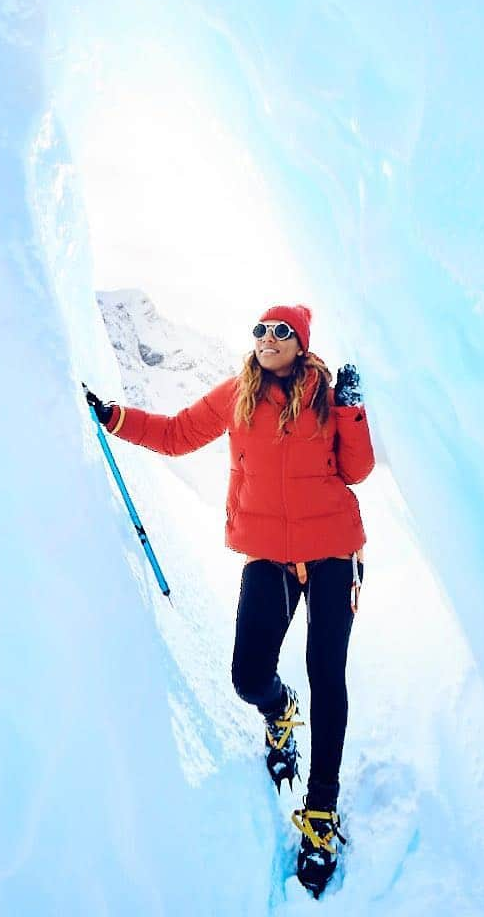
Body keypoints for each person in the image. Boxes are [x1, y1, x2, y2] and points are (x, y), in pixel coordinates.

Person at [85, 303, 374, 898]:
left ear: (301, 343)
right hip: (268, 553)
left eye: (282, 331)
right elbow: (175, 433)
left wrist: (351, 409)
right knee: (247, 675)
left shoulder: (323, 395)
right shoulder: (238, 393)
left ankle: (321, 814)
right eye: (262, 330)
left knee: (328, 670)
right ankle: (279, 710)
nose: (269, 338)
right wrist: (115, 418)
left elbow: (357, 468)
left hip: (332, 550)